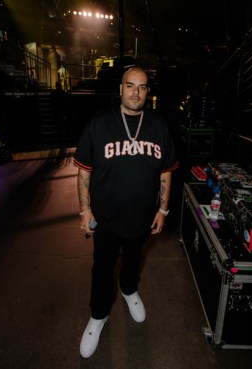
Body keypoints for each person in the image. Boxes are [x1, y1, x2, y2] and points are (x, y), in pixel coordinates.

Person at [73, 66, 179, 358]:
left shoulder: (158, 126)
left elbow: (166, 174)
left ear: (147, 92)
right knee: (103, 268)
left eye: (142, 87)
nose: (136, 92)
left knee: (133, 260)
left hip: (143, 218)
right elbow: (84, 172)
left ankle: (129, 290)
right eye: (130, 86)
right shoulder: (100, 123)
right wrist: (84, 209)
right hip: (106, 218)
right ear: (120, 89)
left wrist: (163, 210)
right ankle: (99, 315)